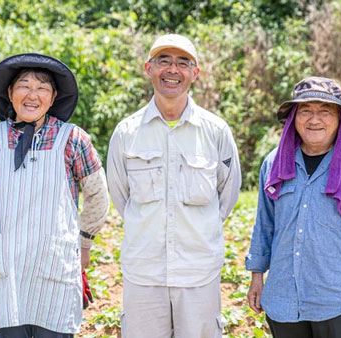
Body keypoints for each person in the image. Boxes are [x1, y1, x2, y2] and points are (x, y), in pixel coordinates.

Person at [0, 53, 109, 337]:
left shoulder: (74, 139)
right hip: (6, 270)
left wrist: (85, 240)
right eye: (24, 86)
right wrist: (0, 236)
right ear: (9, 93)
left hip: (53, 267)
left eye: (42, 88)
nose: (32, 95)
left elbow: (98, 196)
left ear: (53, 98)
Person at [107, 34, 242, 338]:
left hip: (199, 274)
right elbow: (120, 195)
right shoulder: (127, 132)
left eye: (183, 63)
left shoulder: (215, 131)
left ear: (195, 73)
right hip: (143, 273)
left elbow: (227, 196)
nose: (172, 70)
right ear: (148, 68)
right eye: (164, 61)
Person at [245, 77, 341, 338]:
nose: (314, 120)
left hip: (338, 300)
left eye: (325, 111)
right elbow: (264, 224)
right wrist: (256, 275)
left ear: (340, 119)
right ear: (294, 118)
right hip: (284, 300)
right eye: (306, 111)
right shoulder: (274, 163)